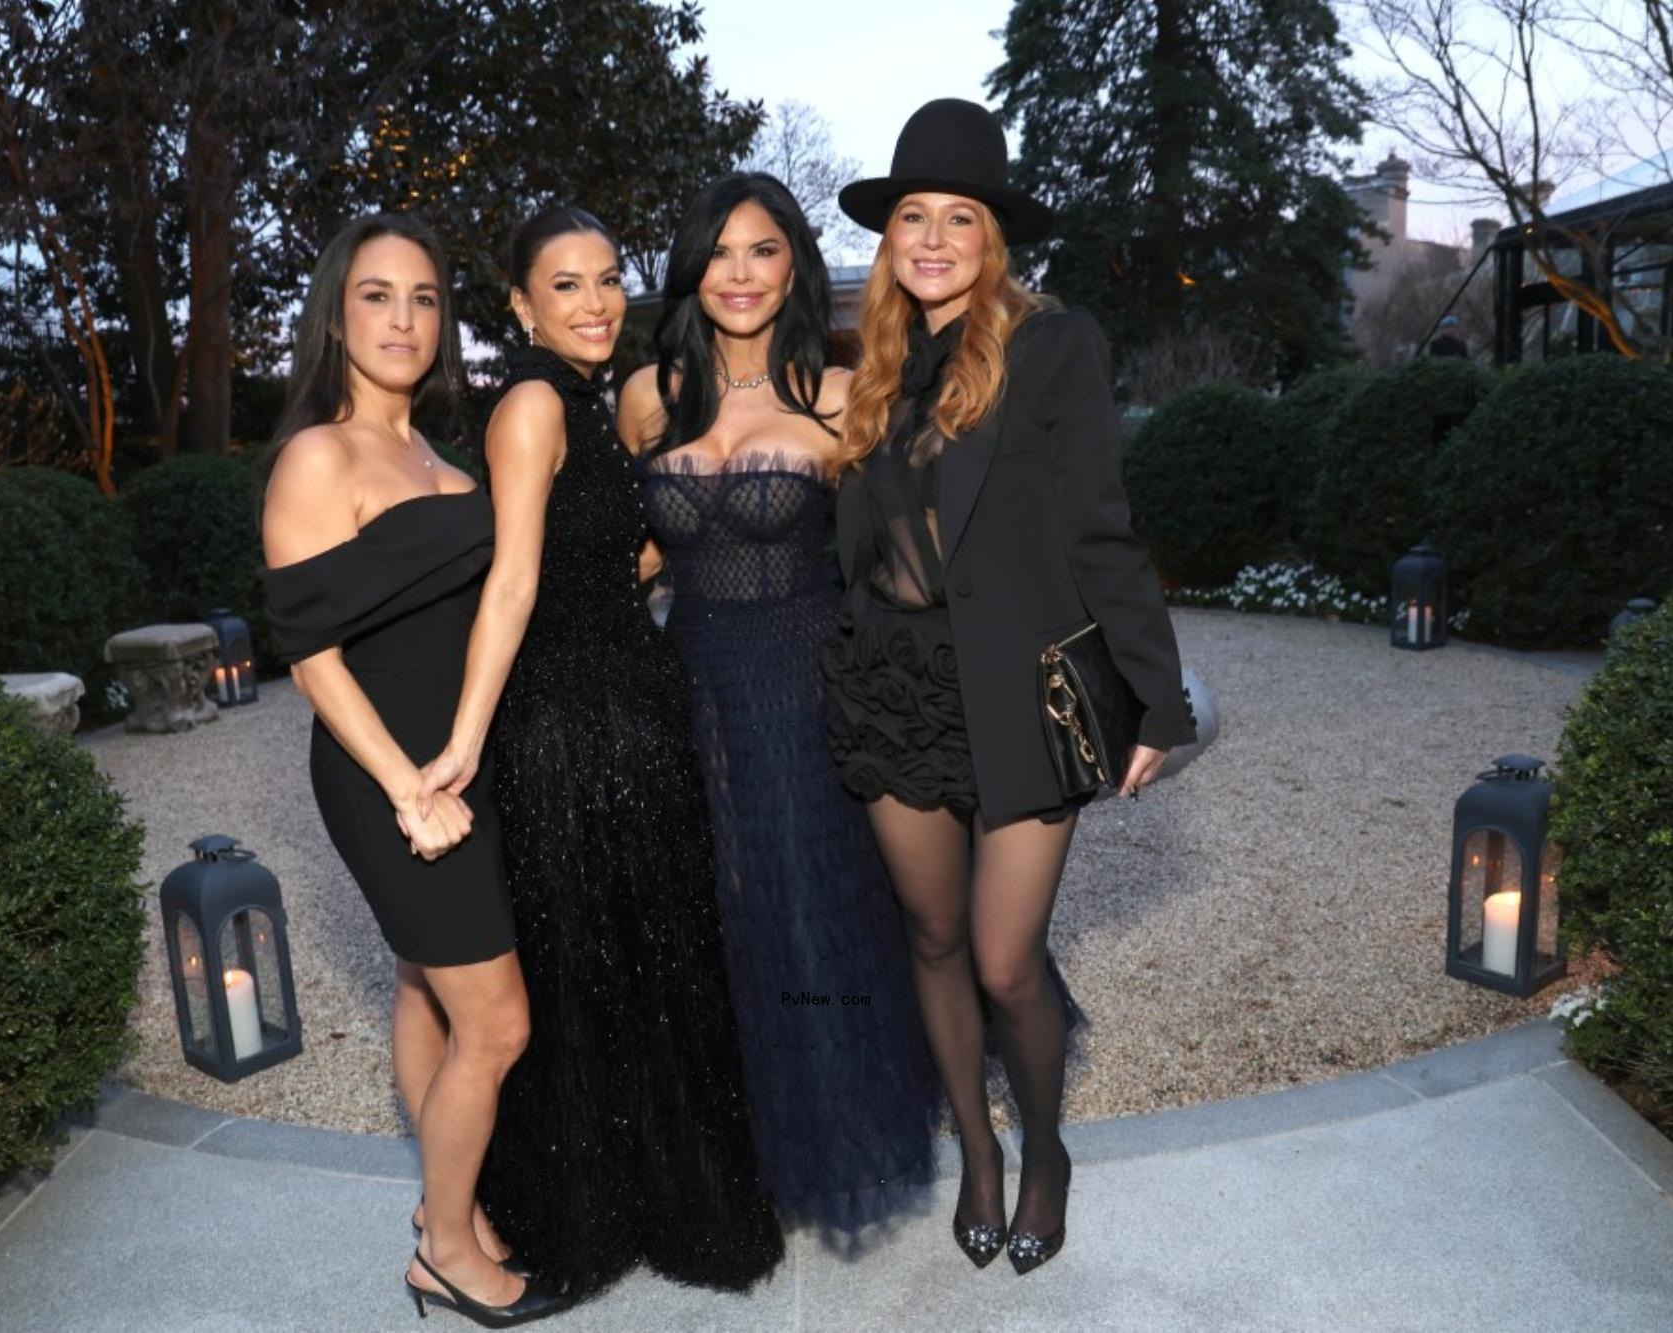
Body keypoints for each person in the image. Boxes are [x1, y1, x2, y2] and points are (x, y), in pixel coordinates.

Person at [821, 101, 1198, 1276]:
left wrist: (1157, 697)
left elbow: (1101, 528)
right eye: (912, 219)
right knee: (930, 940)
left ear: (994, 239)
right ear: (889, 241)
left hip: (1020, 694)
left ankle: (1046, 1149)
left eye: (960, 219)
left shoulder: (1051, 344)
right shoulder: (871, 374)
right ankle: (976, 1156)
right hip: (895, 687)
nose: (931, 239)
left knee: (1001, 960)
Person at [415, 205, 784, 1301]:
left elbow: (625, 547)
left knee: (650, 955)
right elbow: (515, 582)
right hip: (567, 724)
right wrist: (465, 746)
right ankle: (589, 1209)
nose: (596, 300)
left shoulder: (590, 400)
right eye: (565, 284)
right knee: (590, 964)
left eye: (608, 277)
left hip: (632, 698)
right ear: (522, 307)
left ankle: (655, 1197)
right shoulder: (532, 402)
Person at [257, 215, 570, 1327]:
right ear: (337, 314)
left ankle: (457, 1205)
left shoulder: (436, 455)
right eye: (379, 295)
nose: (403, 319)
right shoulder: (318, 454)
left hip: (457, 758)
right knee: (498, 1023)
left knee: (419, 984)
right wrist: (409, 790)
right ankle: (444, 1246)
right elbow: (309, 657)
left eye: (425, 297)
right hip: (386, 772)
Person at [617, 172, 938, 1244]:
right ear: (691, 269)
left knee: (819, 905)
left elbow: (900, 566)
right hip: (690, 683)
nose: (741, 274)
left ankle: (842, 1127)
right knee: (720, 914)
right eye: (720, 252)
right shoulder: (646, 397)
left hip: (808, 683)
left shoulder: (836, 393)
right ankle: (744, 1143)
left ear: (793, 263)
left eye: (762, 250)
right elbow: (637, 553)